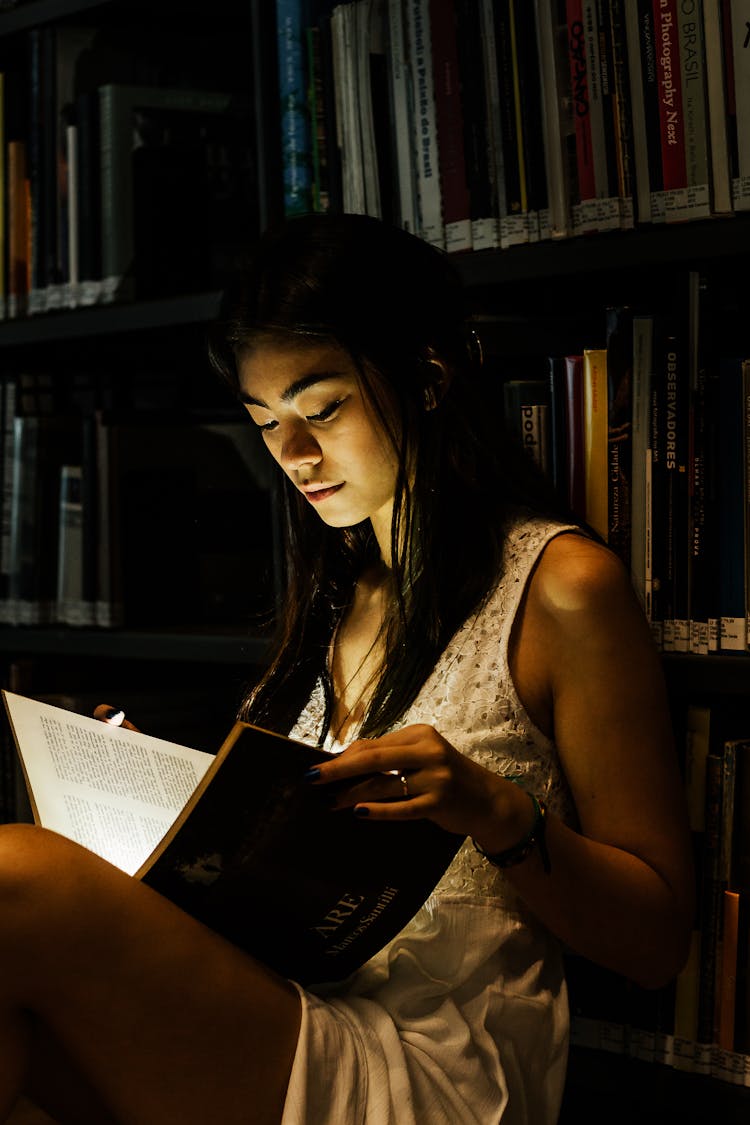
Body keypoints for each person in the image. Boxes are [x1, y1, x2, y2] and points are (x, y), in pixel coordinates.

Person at [0, 213, 693, 1125]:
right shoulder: (339, 592)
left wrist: (490, 810)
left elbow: (656, 939)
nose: (292, 454)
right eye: (265, 423)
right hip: (296, 1003)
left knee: (16, 875)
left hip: (434, 1062)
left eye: (321, 408)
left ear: (429, 376)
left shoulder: (562, 588)